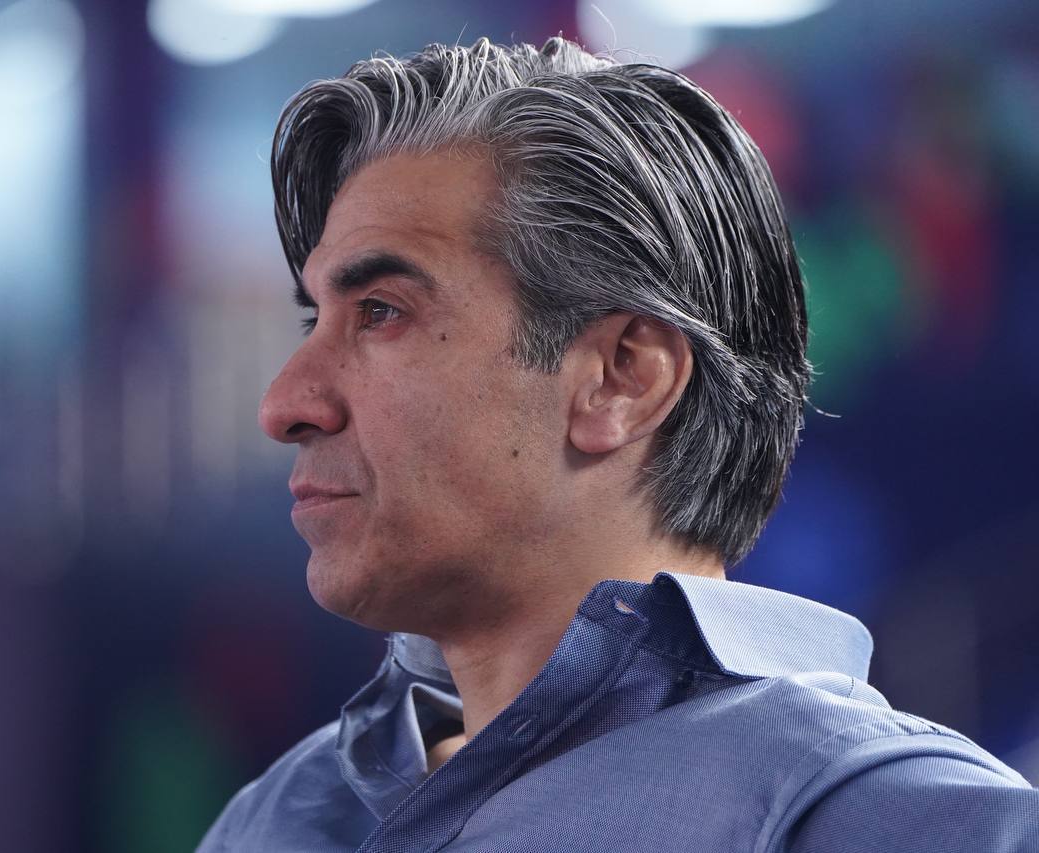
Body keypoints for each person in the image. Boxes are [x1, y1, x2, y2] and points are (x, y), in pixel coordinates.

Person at [198, 35, 1038, 852]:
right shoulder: (277, 817)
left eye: (381, 311)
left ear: (622, 377)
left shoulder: (912, 823)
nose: (284, 404)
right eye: (315, 321)